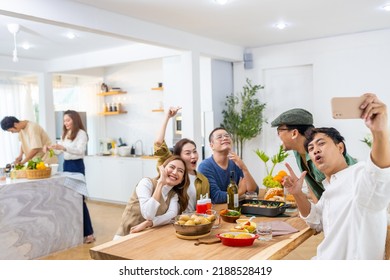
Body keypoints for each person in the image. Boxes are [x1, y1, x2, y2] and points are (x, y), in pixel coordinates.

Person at [283, 93, 390, 259]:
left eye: (321, 143)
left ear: (340, 148)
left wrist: (379, 131)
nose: (315, 150)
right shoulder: (329, 188)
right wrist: (297, 193)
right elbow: (316, 221)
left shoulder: (358, 174)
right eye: (310, 149)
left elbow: (378, 175)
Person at [271, 108, 357, 202]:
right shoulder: (298, 152)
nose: (278, 136)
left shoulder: (322, 153)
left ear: (294, 133)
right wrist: (314, 214)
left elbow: (348, 188)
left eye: (279, 131)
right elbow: (312, 187)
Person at [45, 110, 95, 244]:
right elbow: (60, 150)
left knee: (79, 199)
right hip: (66, 165)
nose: (65, 123)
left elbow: (80, 151)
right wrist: (51, 148)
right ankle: (74, 231)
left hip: (77, 166)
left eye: (68, 120)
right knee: (69, 199)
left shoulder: (82, 134)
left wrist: (64, 148)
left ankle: (89, 233)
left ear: (75, 120)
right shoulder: (65, 134)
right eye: (64, 121)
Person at [114, 155, 190, 239]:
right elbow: (148, 214)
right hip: (125, 237)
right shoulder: (146, 183)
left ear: (182, 180)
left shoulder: (174, 195)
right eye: (172, 167)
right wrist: (161, 183)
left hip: (147, 237)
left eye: (180, 171)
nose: (175, 172)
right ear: (163, 169)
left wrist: (149, 223)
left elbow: (172, 215)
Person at [154, 106, 209, 211]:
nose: (193, 156)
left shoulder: (203, 180)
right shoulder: (170, 171)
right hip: (168, 221)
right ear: (178, 156)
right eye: (187, 153)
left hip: (193, 222)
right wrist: (167, 117)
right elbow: (158, 143)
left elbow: (205, 208)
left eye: (194, 151)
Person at [198, 127, 258, 204]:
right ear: (211, 145)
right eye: (219, 137)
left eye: (227, 136)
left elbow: (254, 191)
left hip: (236, 210)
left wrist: (244, 168)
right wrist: (240, 192)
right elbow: (216, 197)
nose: (225, 138)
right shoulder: (205, 166)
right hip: (216, 212)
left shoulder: (235, 162)